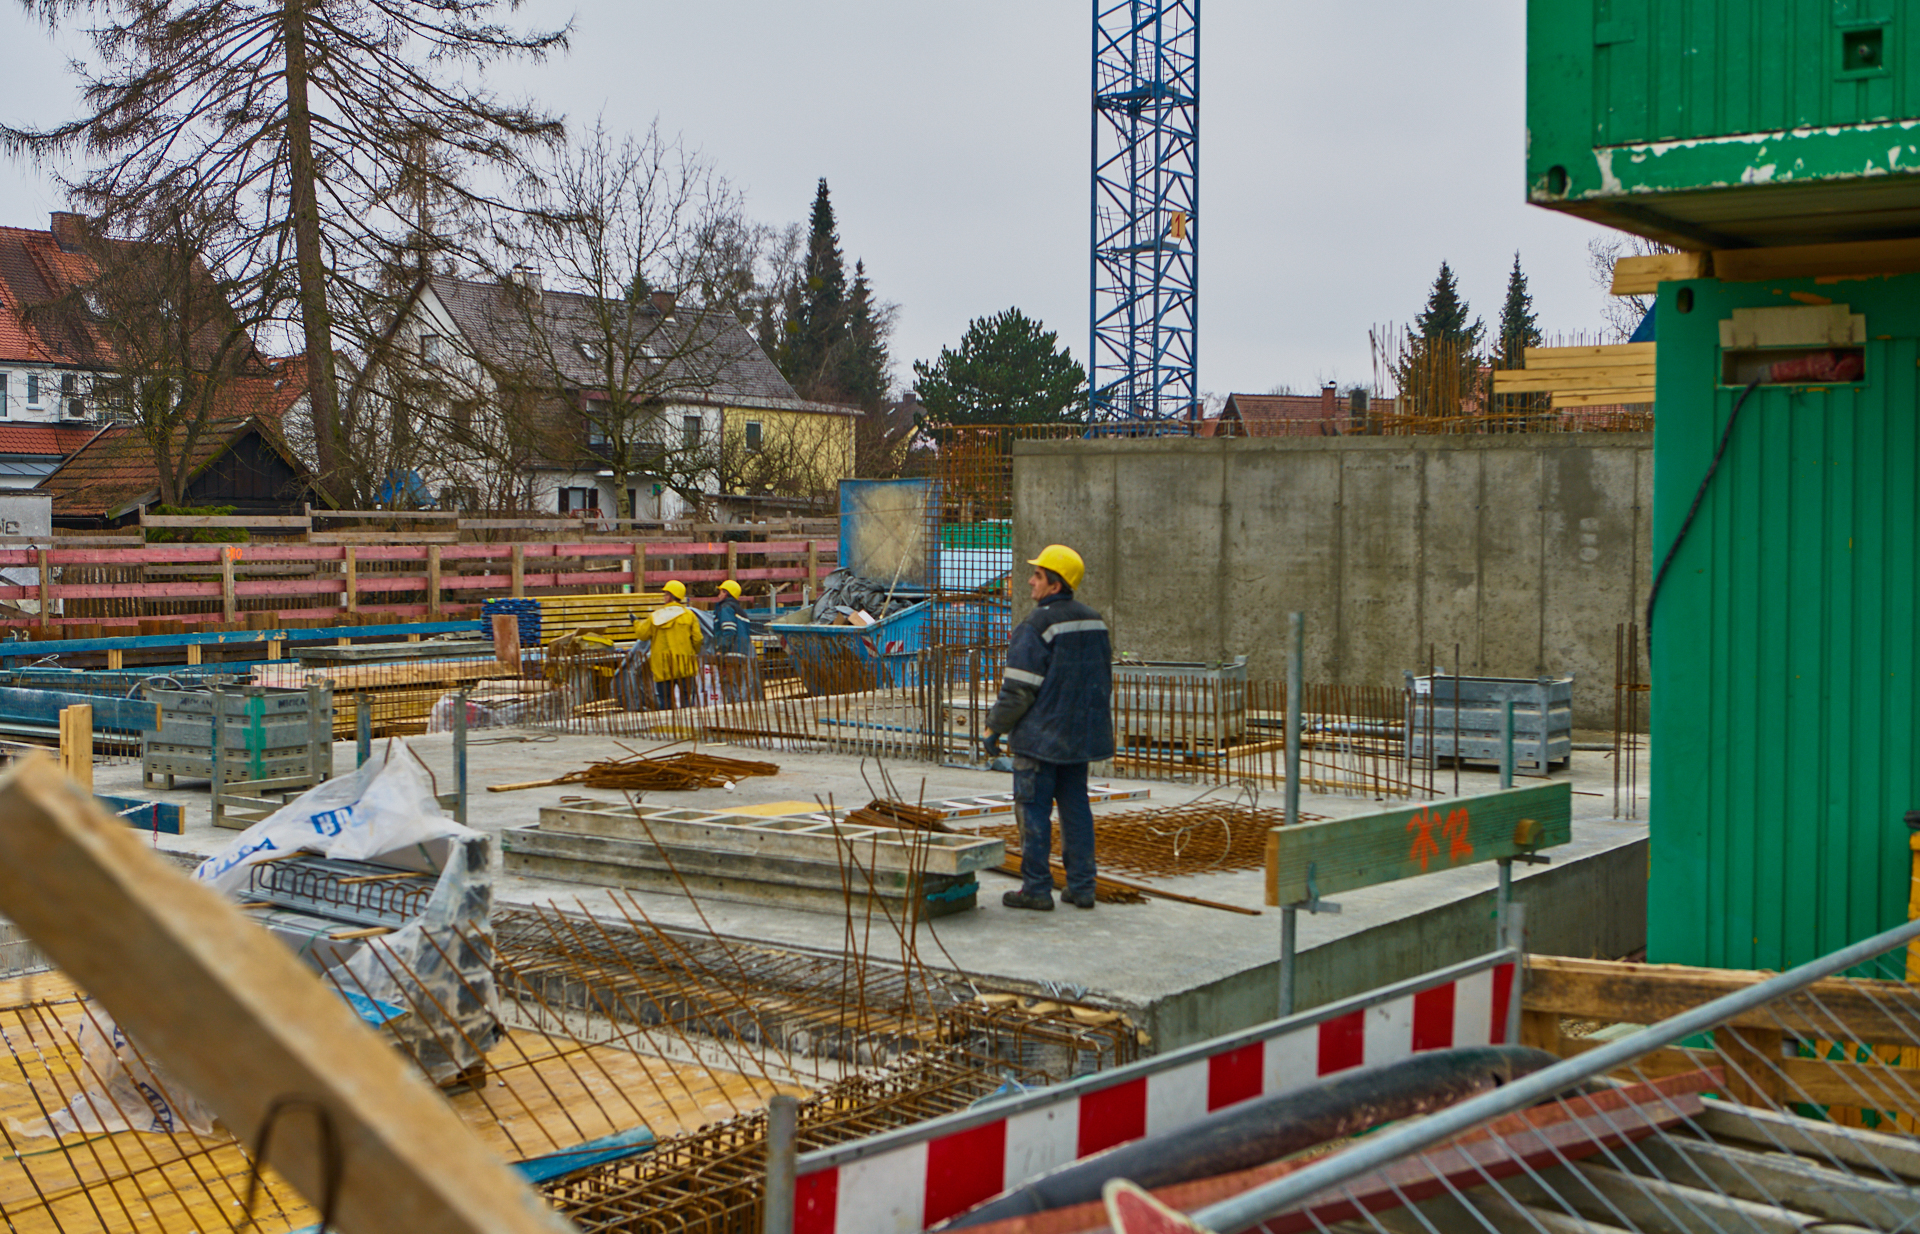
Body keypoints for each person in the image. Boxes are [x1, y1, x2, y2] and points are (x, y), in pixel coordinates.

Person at [983, 544, 1113, 911]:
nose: (1030, 581)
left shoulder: (1037, 625)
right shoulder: (1095, 621)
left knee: (1033, 810)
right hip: (1079, 739)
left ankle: (1037, 889)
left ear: (1055, 585)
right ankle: (1082, 887)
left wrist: (994, 728)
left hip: (1040, 740)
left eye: (1037, 576)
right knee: (1076, 810)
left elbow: (1018, 690)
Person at [643, 579, 703, 709]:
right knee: (687, 701)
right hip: (685, 665)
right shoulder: (689, 615)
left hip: (663, 667)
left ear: (670, 596)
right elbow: (698, 639)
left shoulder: (656, 616)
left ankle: (668, 728)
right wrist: (693, 652)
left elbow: (642, 634)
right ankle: (688, 727)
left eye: (665, 594)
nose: (664, 597)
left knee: (666, 703)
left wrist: (636, 623)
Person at [712, 579, 757, 701]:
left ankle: (733, 712)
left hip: (730, 654)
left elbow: (729, 630)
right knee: (739, 687)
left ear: (726, 593)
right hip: (742, 654)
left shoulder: (726, 608)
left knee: (729, 688)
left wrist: (721, 649)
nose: (718, 595)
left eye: (721, 592)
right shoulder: (742, 612)